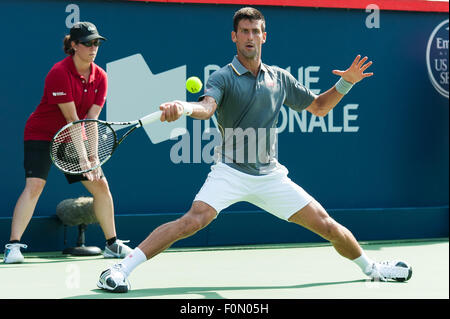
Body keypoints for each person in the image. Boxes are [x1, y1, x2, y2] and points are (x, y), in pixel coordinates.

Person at [97, 7, 412, 292]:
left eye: (255, 31)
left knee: (326, 224)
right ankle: (120, 269)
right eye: (244, 31)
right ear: (234, 37)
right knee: (193, 220)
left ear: (264, 36)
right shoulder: (222, 77)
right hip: (230, 172)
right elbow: (206, 108)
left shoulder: (279, 78)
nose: (250, 36)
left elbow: (318, 107)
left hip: (270, 175)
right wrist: (184, 107)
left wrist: (346, 83)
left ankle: (372, 268)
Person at [3, 22, 132, 264]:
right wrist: (84, 158)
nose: (93, 48)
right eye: (87, 43)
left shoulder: (101, 76)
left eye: (96, 43)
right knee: (35, 186)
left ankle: (112, 244)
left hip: (70, 136)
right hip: (41, 134)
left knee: (101, 186)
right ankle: (13, 247)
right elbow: (72, 119)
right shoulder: (59, 72)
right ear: (74, 45)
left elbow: (92, 119)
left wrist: (93, 158)